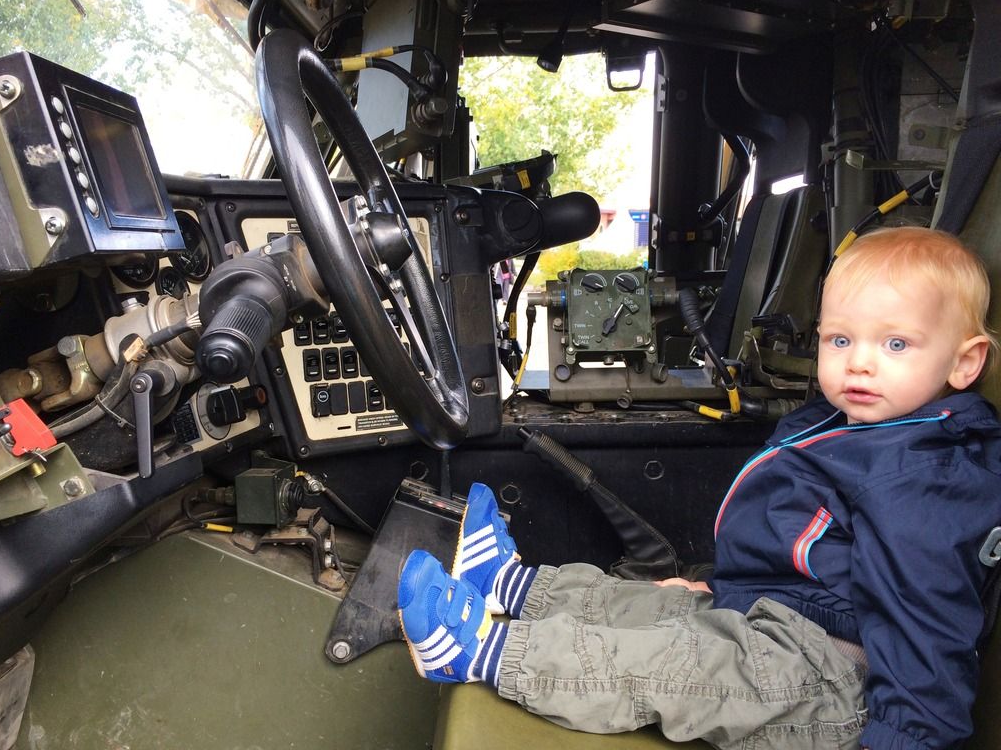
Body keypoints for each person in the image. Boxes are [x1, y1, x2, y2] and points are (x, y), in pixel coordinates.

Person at [397, 227, 1001, 750]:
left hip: (833, 685)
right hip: (785, 626)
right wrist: (720, 586)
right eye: (840, 340)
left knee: (665, 663)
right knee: (658, 604)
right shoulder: (849, 428)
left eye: (895, 344)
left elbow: (927, 630)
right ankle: (514, 589)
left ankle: (487, 653)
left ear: (964, 363)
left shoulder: (928, 481)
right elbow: (814, 560)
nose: (860, 363)